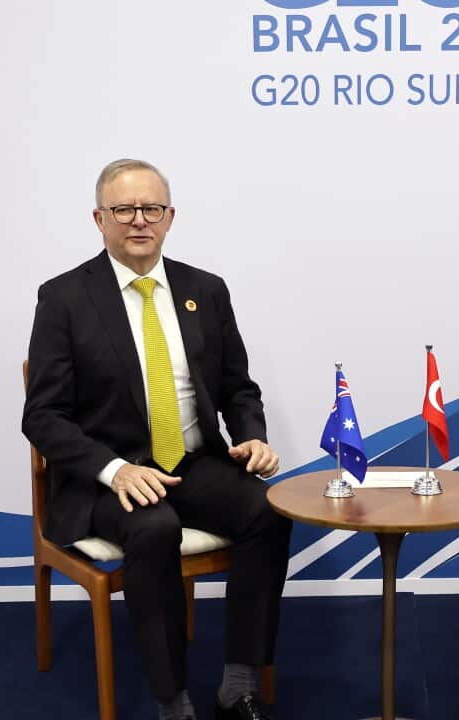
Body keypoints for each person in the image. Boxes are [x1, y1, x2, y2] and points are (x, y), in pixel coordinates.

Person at [22, 159, 291, 720]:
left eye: (152, 208)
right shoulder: (65, 298)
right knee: (154, 527)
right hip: (108, 477)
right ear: (99, 218)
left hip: (191, 461)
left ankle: (238, 684)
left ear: (171, 217)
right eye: (124, 209)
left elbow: (240, 387)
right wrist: (114, 470)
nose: (138, 221)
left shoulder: (205, 290)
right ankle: (173, 701)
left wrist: (252, 437)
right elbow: (42, 416)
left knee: (269, 511)